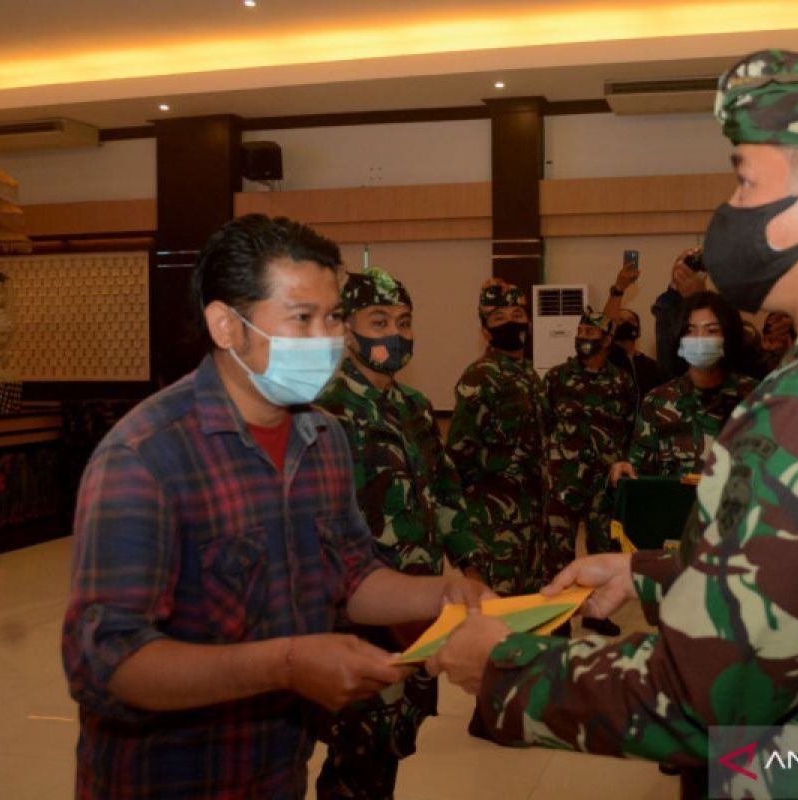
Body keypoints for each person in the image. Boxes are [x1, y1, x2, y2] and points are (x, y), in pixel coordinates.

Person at [428, 49, 798, 799]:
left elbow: (712, 701)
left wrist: (501, 666)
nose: (731, 209)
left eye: (745, 179)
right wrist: (652, 573)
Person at [61, 214, 488, 799]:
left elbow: (352, 574)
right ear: (226, 326)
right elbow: (106, 664)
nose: (325, 339)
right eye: (300, 318)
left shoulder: (324, 439)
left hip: (278, 769)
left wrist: (438, 596)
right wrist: (285, 664)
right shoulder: (146, 458)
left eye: (333, 317)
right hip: (172, 779)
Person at [313, 266, 490, 799]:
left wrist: (474, 570)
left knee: (391, 742)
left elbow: (444, 493)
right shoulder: (325, 411)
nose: (396, 332)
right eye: (380, 319)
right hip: (357, 615)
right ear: (347, 330)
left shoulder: (412, 407)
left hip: (418, 611)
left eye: (405, 320)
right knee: (357, 753)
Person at [446, 278, 550, 597]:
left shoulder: (529, 374)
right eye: (499, 318)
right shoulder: (481, 376)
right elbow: (458, 454)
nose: (511, 323)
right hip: (494, 525)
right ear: (485, 331)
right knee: (499, 621)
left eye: (518, 314)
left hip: (532, 521)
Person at [543, 307, 635, 635]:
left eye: (591, 334)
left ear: (607, 340)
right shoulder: (556, 378)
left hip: (603, 481)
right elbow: (545, 423)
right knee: (558, 549)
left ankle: (598, 614)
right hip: (563, 476)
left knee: (603, 549)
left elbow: (627, 429)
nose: (583, 339)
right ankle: (559, 617)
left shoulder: (621, 382)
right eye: (580, 332)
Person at [610, 291, 757, 484]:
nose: (700, 339)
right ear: (679, 339)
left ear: (727, 338)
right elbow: (640, 477)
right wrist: (625, 470)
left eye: (711, 330)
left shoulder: (756, 397)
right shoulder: (658, 402)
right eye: (691, 330)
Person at [601, 257, 664, 407]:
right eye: (618, 321)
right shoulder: (606, 359)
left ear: (636, 328)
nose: (620, 323)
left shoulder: (651, 366)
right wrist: (618, 288)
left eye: (625, 320)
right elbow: (605, 325)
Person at [651, 246, 711, 380]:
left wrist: (699, 298)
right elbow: (668, 357)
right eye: (691, 330)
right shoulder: (663, 395)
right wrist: (674, 288)